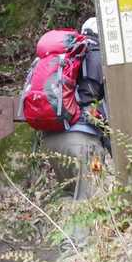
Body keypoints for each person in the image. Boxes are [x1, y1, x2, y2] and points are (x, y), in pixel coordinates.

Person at [39, 17, 107, 199]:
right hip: (83, 144)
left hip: (52, 142)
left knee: (70, 198)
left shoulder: (68, 56)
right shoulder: (98, 57)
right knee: (92, 200)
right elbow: (95, 105)